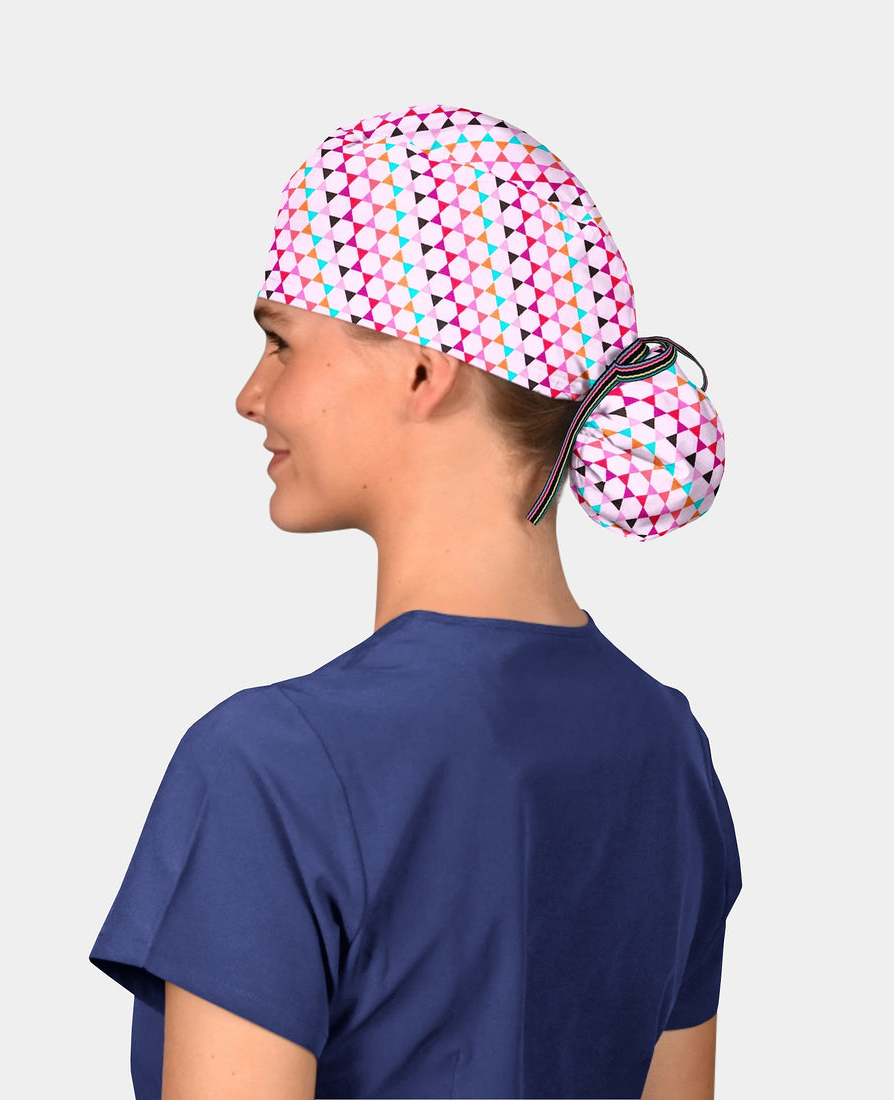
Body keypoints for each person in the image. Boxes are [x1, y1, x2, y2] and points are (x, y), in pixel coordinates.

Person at [90, 104, 741, 1100]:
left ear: (421, 369)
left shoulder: (272, 765)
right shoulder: (667, 748)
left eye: (280, 342)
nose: (251, 395)